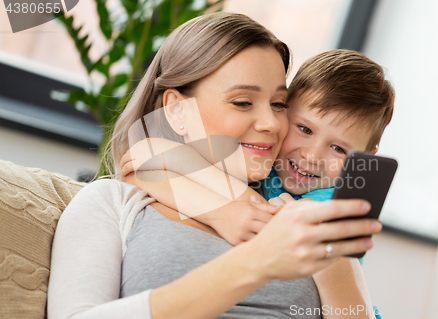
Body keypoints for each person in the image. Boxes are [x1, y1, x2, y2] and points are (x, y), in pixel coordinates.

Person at [48, 12, 381, 319]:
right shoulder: (113, 202)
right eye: (242, 102)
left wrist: (332, 263)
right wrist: (235, 220)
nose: (270, 123)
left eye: (279, 104)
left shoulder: (311, 220)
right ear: (178, 111)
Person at [121, 49, 394, 319]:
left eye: (338, 148)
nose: (311, 157)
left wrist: (170, 164)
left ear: (363, 160)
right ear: (283, 113)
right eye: (305, 129)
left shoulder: (332, 204)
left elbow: (273, 222)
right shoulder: (261, 166)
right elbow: (141, 161)